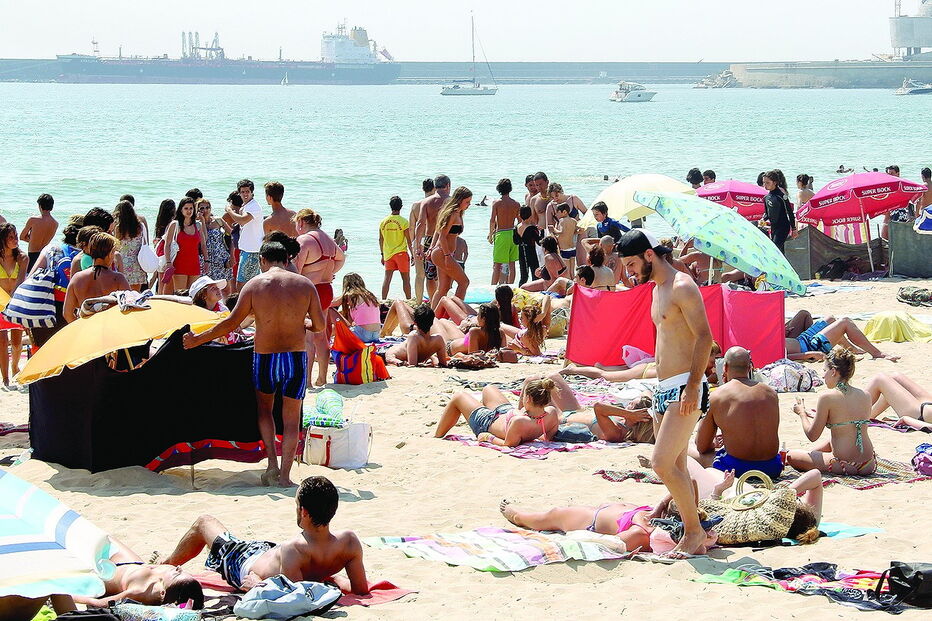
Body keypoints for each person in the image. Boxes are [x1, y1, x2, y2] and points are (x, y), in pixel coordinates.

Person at [185, 233, 325, 486]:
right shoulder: (305, 285)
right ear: (287, 259)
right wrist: (301, 322)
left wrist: (198, 339)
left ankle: (271, 463)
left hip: (265, 356)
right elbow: (319, 326)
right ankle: (285, 476)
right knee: (292, 419)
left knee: (265, 410)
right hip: (294, 357)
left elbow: (230, 323)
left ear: (262, 260)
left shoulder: (254, 285)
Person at [617, 229, 712, 557]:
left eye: (631, 264)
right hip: (663, 388)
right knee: (678, 464)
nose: (629, 272)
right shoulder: (657, 289)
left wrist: (692, 386)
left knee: (660, 463)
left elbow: (704, 337)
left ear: (648, 255)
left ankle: (694, 532)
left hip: (686, 385)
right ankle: (695, 528)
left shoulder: (682, 286)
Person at [161, 476, 368, 594]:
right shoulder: (349, 541)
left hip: (242, 562)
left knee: (203, 523)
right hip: (266, 551)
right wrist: (335, 581)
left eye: (296, 505)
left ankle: (166, 566)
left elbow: (296, 599)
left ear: (303, 511)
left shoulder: (294, 549)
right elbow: (360, 590)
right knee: (239, 541)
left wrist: (256, 585)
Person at [690, 347, 782, 478]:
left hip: (737, 469)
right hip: (772, 467)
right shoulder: (771, 393)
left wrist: (713, 444)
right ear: (750, 367)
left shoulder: (717, 396)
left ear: (725, 367)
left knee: (688, 450)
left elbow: (702, 447)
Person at [786, 346, 877, 475]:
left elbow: (812, 435)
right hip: (868, 463)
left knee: (790, 456)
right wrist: (817, 416)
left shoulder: (827, 397)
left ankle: (810, 456)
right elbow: (847, 419)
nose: (823, 375)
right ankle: (811, 456)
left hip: (846, 463)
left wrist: (801, 413)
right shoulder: (866, 395)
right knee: (831, 441)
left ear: (833, 371)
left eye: (824, 370)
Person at [72, 539, 204, 609]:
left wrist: (67, 595)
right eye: (180, 570)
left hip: (107, 570)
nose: (178, 568)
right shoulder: (166, 578)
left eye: (177, 573)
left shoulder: (142, 592)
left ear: (162, 593)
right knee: (103, 536)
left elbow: (98, 603)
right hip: (131, 563)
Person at [295, 208, 345, 387]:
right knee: (321, 336)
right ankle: (322, 377)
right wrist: (330, 272)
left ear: (301, 222)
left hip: (311, 290)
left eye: (296, 224)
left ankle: (307, 381)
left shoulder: (304, 240)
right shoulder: (328, 239)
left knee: (308, 337)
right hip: (326, 289)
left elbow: (296, 269)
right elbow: (341, 258)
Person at [434, 378, 559, 446]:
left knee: (459, 396)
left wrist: (487, 437)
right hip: (505, 412)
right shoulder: (551, 413)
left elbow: (507, 444)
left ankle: (436, 437)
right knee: (489, 388)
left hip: (487, 422)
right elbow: (548, 436)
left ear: (528, 399)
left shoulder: (520, 421)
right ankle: (478, 407)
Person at [26, 216, 83, 347]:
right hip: (72, 308)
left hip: (46, 307)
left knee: (44, 350)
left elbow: (31, 279)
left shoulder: (51, 249)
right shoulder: (86, 255)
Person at [63, 232, 130, 323]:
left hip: (87, 330)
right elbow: (130, 306)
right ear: (110, 254)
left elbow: (67, 313)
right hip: (111, 329)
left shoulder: (77, 278)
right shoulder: (118, 279)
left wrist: (79, 330)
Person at [785, 312, 900, 361]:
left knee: (830, 319)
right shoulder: (767, 343)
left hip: (802, 340)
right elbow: (781, 357)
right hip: (810, 347)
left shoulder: (767, 333)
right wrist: (809, 355)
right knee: (845, 322)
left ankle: (851, 348)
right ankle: (877, 353)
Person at [428, 186, 471, 309]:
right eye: (467, 202)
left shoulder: (458, 213)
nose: (469, 204)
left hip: (443, 252)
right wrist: (447, 255)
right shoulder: (452, 214)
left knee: (443, 288)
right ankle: (456, 312)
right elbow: (442, 235)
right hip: (442, 253)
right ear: (459, 200)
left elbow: (439, 231)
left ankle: (433, 317)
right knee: (464, 282)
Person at [413, 174, 451, 301]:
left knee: (430, 275)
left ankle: (432, 302)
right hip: (447, 239)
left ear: (435, 187)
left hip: (428, 240)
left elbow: (420, 224)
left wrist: (418, 246)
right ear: (448, 186)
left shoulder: (426, 202)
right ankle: (443, 300)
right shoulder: (451, 202)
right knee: (444, 272)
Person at [0, 224, 28, 389]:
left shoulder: (22, 258)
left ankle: (15, 368)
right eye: (11, 237)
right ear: (2, 239)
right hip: (0, 302)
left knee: (17, 342)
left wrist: (12, 302)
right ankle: (5, 379)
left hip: (16, 302)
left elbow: (21, 281)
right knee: (2, 341)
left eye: (16, 236)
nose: (16, 239)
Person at [228, 179, 264, 290]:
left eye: (247, 191)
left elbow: (243, 220)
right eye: (242, 192)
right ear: (239, 193)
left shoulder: (254, 206)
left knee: (242, 284)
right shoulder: (246, 206)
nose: (245, 194)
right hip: (247, 249)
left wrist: (229, 210)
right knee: (246, 283)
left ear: (252, 192)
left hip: (252, 250)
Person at [164, 197, 207, 291]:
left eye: (191, 208)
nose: (189, 211)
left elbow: (203, 244)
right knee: (181, 293)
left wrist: (206, 261)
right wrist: (168, 262)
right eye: (186, 208)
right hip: (179, 264)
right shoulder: (175, 225)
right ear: (181, 210)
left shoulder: (198, 225)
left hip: (195, 264)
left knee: (193, 294)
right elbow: (167, 245)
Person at [866, 372, 932, 430]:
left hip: (920, 415)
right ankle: (870, 416)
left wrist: (907, 419)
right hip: (928, 406)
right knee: (896, 377)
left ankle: (856, 413)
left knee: (879, 379)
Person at [378, 195, 412, 299]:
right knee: (406, 279)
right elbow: (409, 240)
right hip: (401, 253)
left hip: (388, 254)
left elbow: (380, 240)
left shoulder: (383, 222)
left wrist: (382, 254)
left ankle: (383, 300)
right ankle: (409, 300)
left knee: (387, 279)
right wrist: (413, 254)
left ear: (390, 206)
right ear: (401, 207)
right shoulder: (404, 222)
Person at [112, 199, 149, 291]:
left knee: (123, 293)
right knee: (136, 293)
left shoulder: (119, 228)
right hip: (138, 262)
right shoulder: (140, 226)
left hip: (123, 263)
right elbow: (145, 242)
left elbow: (116, 245)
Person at [489, 178, 521, 285]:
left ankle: (493, 287)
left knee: (497, 264)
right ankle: (511, 287)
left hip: (501, 234)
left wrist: (490, 234)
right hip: (512, 233)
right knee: (512, 264)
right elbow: (520, 222)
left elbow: (492, 220)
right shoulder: (516, 204)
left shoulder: (496, 203)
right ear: (510, 189)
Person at [198, 198, 233, 292]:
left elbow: (233, 235)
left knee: (225, 287)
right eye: (202, 208)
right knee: (206, 288)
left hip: (221, 258)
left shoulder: (218, 221)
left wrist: (231, 254)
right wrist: (202, 220)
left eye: (207, 207)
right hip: (205, 260)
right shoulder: (196, 224)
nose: (205, 210)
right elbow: (204, 240)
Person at [335, 273, 381, 343]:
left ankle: (324, 334)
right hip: (376, 335)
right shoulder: (370, 295)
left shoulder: (352, 294)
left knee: (330, 310)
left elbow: (330, 304)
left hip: (363, 334)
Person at [409, 178, 434, 301]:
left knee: (419, 275)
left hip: (419, 241)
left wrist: (414, 244)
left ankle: (418, 302)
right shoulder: (434, 203)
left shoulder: (415, 205)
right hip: (431, 240)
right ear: (434, 188)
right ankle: (434, 300)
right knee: (434, 275)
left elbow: (411, 227)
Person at [19, 193, 58, 269]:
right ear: (51, 207)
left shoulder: (33, 220)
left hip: (32, 255)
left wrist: (33, 240)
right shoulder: (55, 223)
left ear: (40, 206)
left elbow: (22, 237)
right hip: (45, 256)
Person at [761, 170, 796, 254]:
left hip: (783, 227)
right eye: (764, 182)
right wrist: (763, 219)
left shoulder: (781, 196)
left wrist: (794, 228)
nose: (764, 185)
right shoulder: (766, 198)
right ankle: (784, 266)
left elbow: (790, 212)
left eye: (767, 183)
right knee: (780, 251)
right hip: (774, 228)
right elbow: (767, 213)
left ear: (775, 182)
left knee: (775, 250)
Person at [153, 198, 177, 293]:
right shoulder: (173, 223)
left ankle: (159, 298)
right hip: (169, 255)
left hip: (160, 254)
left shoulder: (160, 223)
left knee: (161, 280)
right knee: (169, 283)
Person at [514, 206, 541, 287]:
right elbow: (539, 242)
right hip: (531, 253)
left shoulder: (516, 227)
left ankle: (519, 292)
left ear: (520, 215)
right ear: (530, 215)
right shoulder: (532, 228)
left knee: (523, 276)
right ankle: (535, 292)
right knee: (535, 274)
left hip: (521, 253)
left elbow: (515, 241)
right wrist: (540, 232)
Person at [551, 203, 582, 274]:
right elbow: (579, 230)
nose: (556, 215)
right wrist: (572, 232)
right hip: (572, 248)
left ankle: (569, 284)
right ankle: (574, 284)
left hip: (564, 249)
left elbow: (561, 232)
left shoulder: (562, 221)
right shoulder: (573, 220)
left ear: (564, 212)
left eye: (558, 213)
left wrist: (554, 229)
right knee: (572, 271)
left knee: (566, 271)